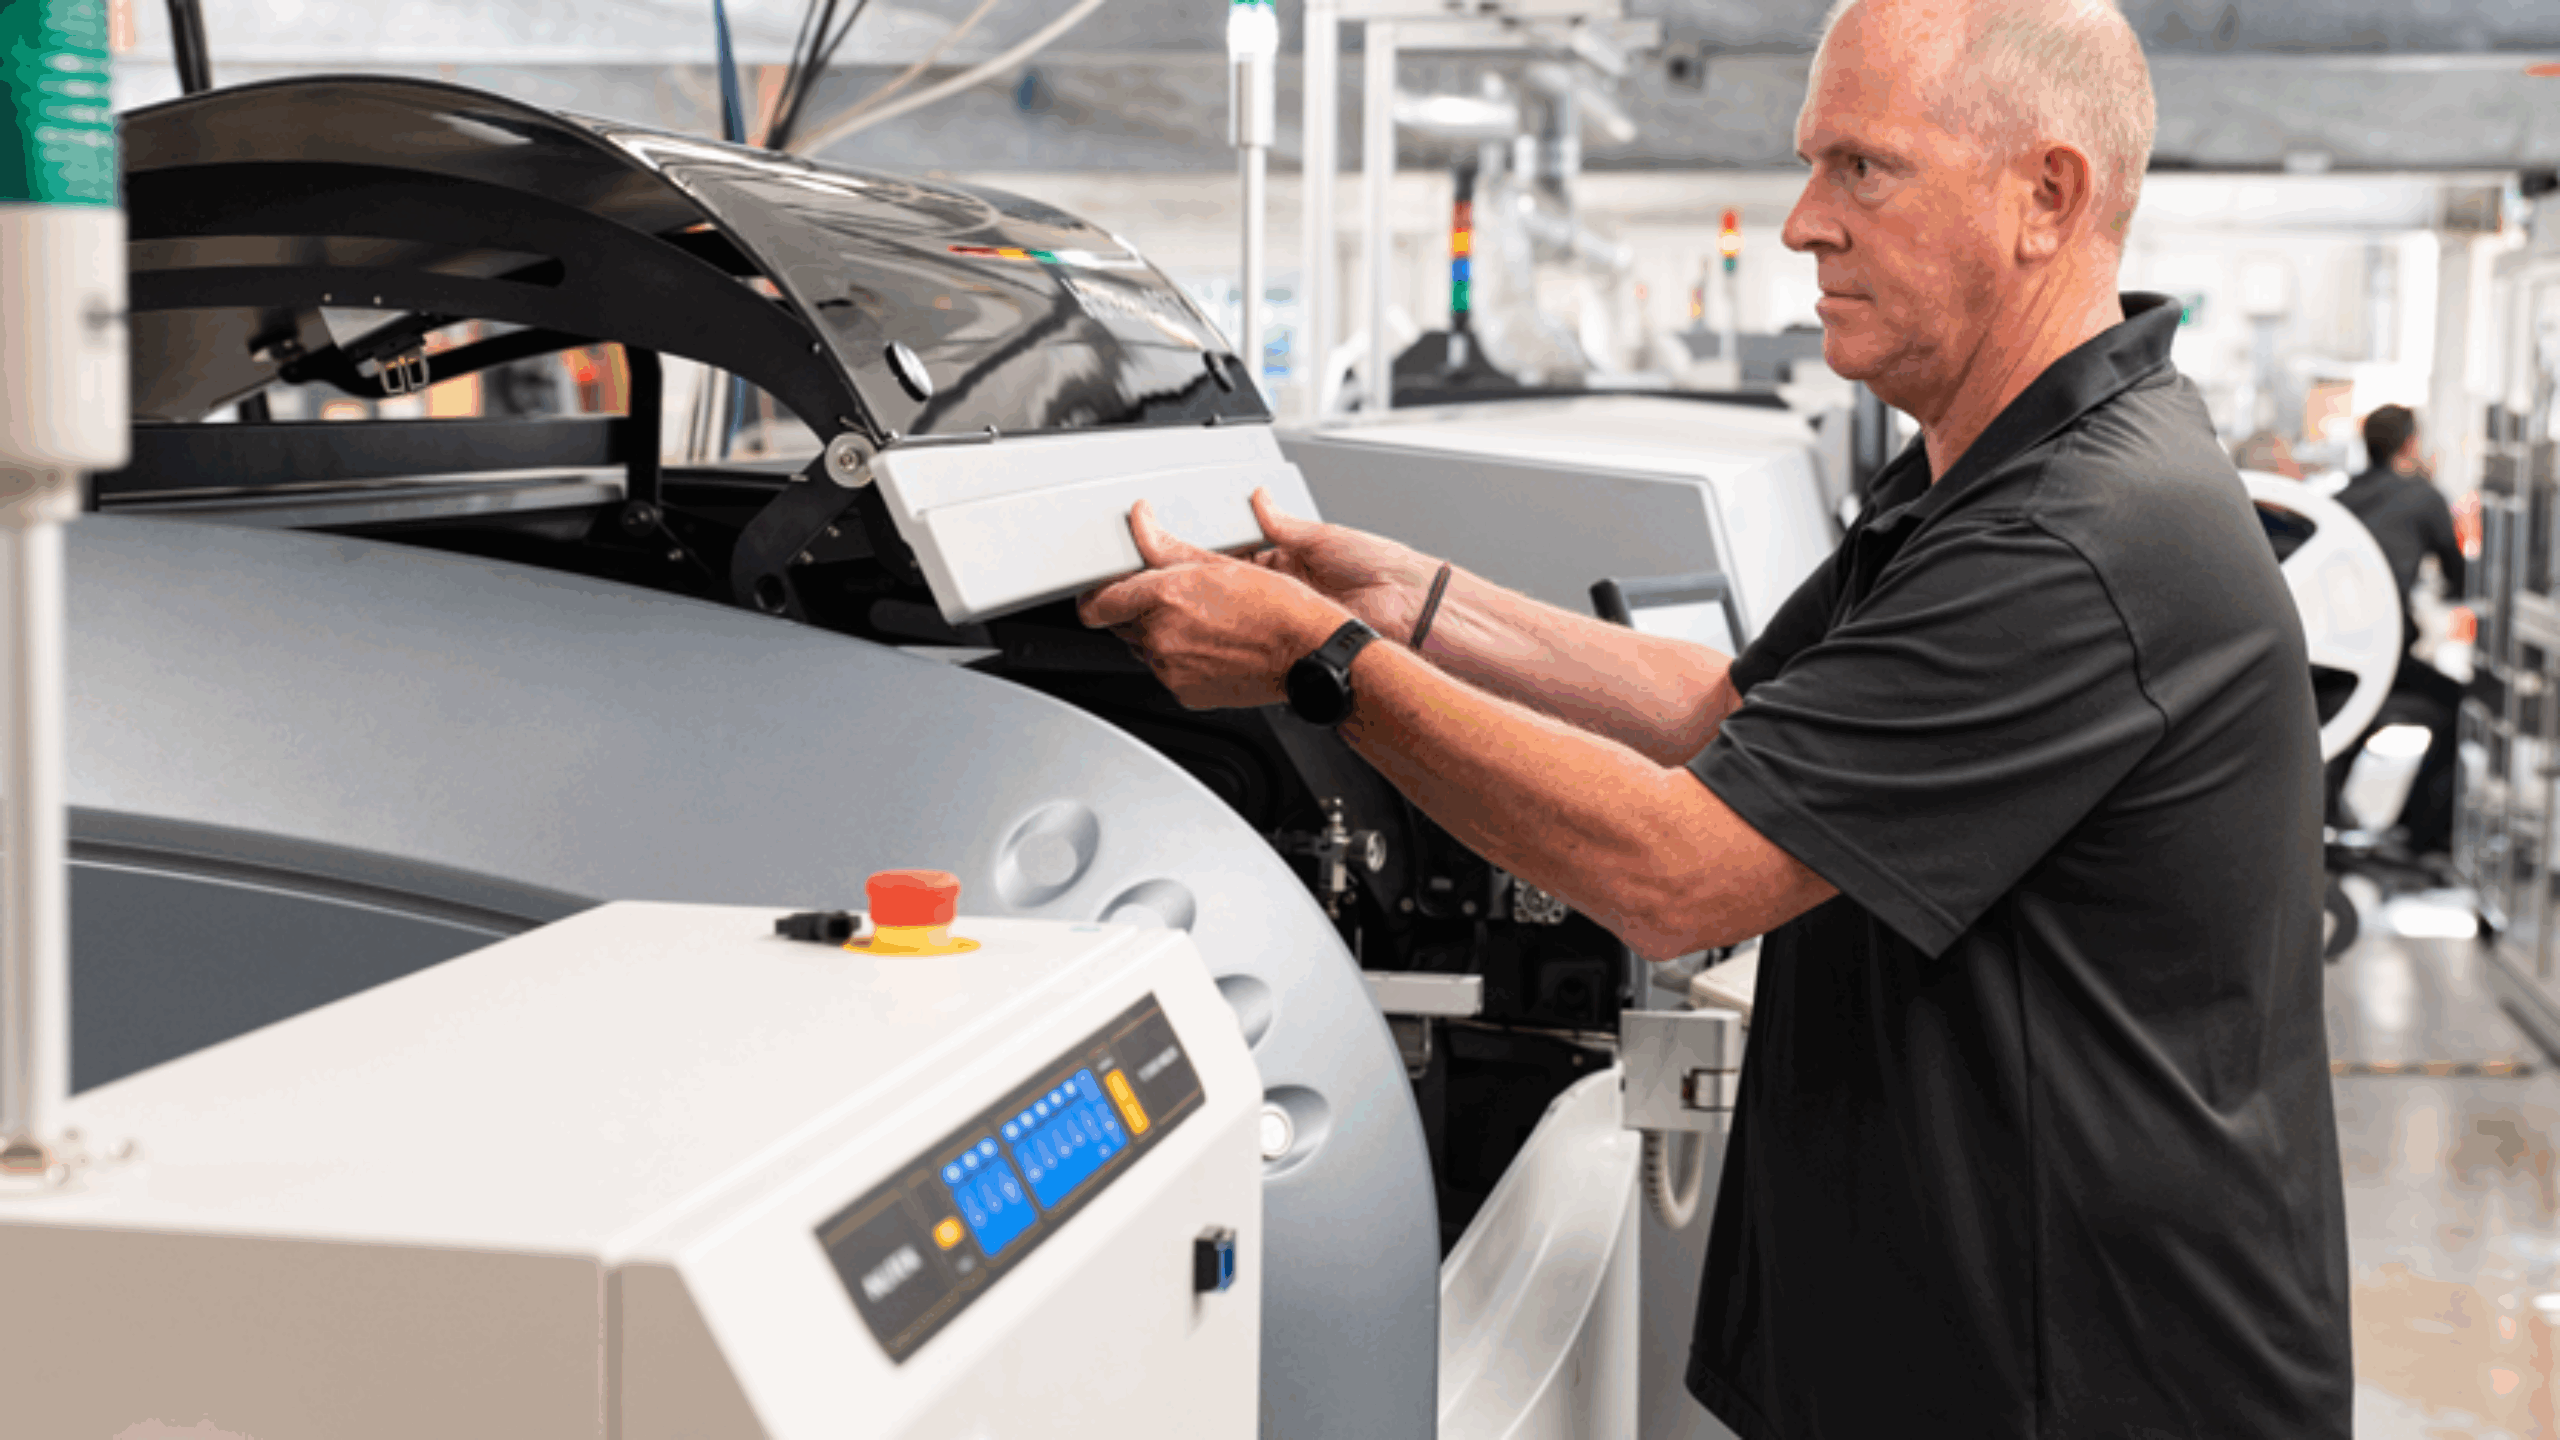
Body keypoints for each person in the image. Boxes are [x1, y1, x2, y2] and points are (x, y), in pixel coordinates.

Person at [1078, 0, 2351, 1433]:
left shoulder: (2080, 535)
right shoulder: (1991, 473)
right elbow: (1722, 706)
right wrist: (1406, 595)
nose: (1806, 222)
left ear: (2044, 196)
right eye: (1813, 164)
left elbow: (1678, 874)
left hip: (2088, 1384)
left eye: (1864, 167)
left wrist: (1326, 666)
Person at [2332, 404, 2468, 856]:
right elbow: (2459, 578)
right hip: (2382, 658)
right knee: (2462, 707)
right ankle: (2420, 836)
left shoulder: (2340, 500)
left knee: (2348, 717)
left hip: (2331, 662)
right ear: (2411, 444)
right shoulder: (2422, 496)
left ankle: (2333, 814)